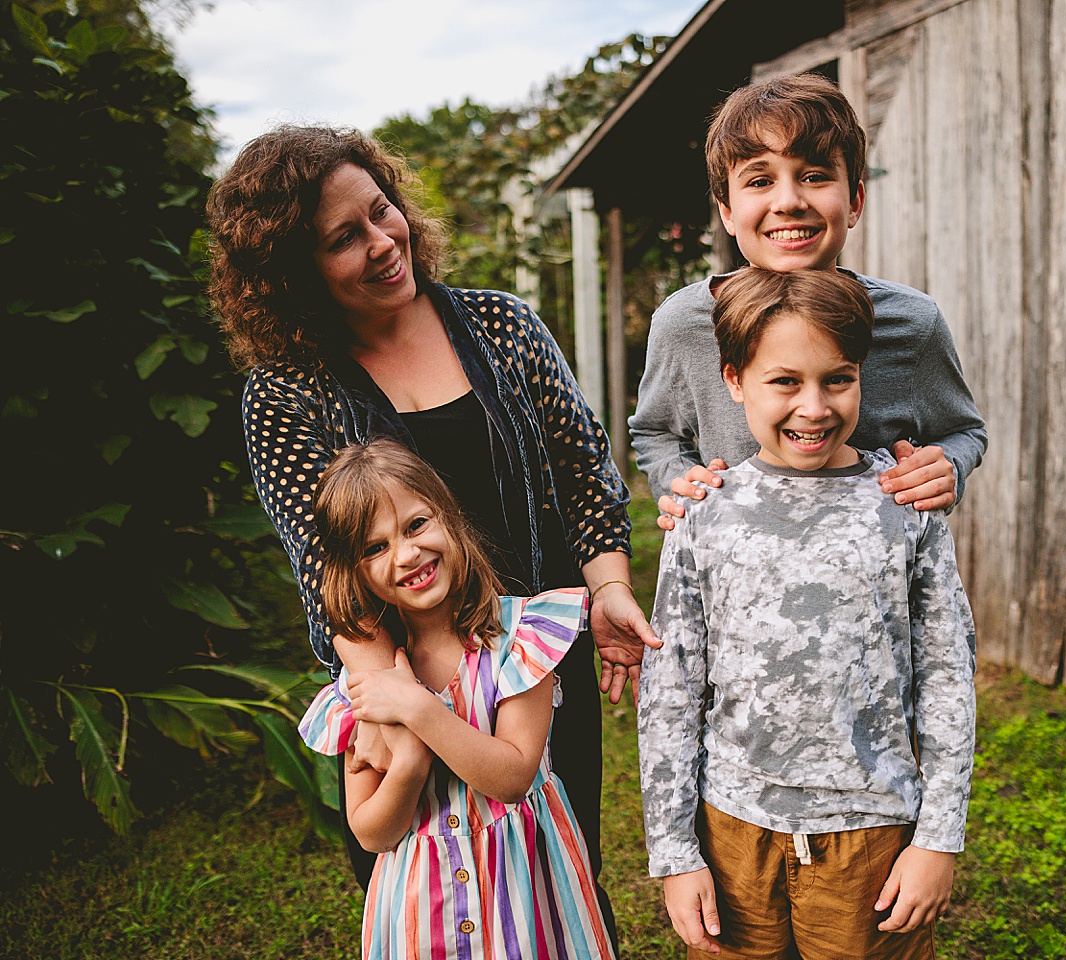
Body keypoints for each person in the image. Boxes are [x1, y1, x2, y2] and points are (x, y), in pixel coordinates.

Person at [206, 126, 654, 931]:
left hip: (531, 678)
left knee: (554, 893)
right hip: (404, 685)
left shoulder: (504, 327)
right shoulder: (288, 394)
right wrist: (403, 710)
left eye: (383, 212)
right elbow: (329, 574)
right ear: (293, 272)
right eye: (345, 238)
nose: (383, 242)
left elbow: (586, 479)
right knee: (436, 913)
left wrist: (611, 589)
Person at [638, 268, 977, 958]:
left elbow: (948, 677)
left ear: (862, 377)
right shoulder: (703, 511)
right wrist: (675, 853)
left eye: (837, 379)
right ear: (734, 380)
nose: (814, 407)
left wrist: (938, 838)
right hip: (732, 827)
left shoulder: (903, 507)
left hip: (873, 831)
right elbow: (669, 690)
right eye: (784, 381)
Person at [297, 438, 614, 959]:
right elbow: (371, 832)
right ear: (352, 571)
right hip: (425, 910)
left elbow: (512, 778)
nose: (406, 554)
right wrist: (409, 766)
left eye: (416, 525)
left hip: (526, 893)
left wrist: (420, 712)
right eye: (374, 548)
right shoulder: (367, 683)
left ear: (450, 518)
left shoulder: (520, 638)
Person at [629, 72, 986, 526]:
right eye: (759, 182)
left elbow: (963, 430)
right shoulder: (686, 322)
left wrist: (947, 466)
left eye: (815, 176)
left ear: (855, 201)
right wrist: (681, 482)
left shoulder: (912, 323)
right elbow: (655, 430)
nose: (789, 201)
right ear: (727, 212)